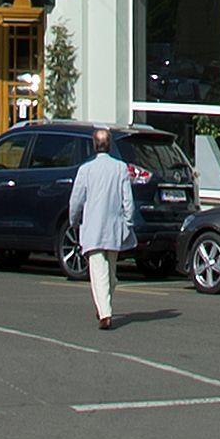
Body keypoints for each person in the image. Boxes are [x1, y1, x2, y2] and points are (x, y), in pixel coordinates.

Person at [66, 136, 135, 331]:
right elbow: (127, 200)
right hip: (113, 229)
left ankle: (104, 308)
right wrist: (128, 222)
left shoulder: (86, 170)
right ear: (110, 145)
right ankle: (105, 312)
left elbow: (76, 201)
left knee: (102, 274)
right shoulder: (120, 168)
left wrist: (74, 221)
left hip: (94, 229)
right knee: (108, 272)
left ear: (94, 146)